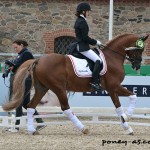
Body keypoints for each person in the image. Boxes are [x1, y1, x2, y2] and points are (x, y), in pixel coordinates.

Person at [8, 40, 46, 131]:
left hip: (25, 80)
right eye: (14, 48)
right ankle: (40, 122)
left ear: (21, 45)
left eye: (16, 47)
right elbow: (19, 67)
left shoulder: (26, 54)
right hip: (22, 80)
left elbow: (25, 67)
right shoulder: (21, 54)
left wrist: (14, 66)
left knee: (18, 101)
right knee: (26, 104)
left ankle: (16, 126)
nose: (15, 49)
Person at [74, 2, 104, 91]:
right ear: (83, 11)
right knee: (98, 60)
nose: (88, 13)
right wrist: (96, 42)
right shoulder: (82, 22)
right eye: (88, 11)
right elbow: (85, 37)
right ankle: (94, 82)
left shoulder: (78, 20)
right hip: (84, 47)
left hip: (79, 46)